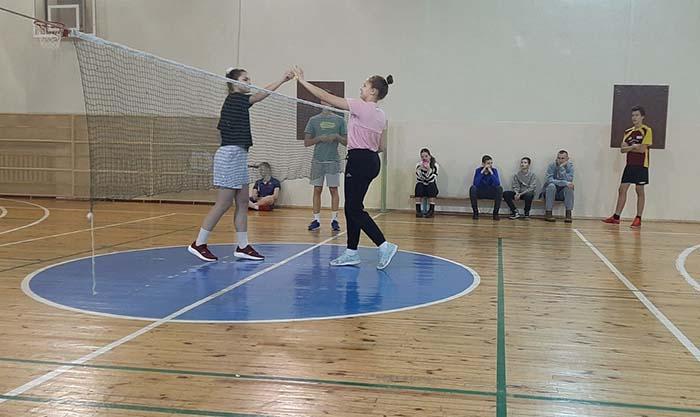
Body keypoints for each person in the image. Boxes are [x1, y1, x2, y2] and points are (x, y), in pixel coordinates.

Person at [294, 66, 398, 270]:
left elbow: (325, 96)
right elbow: (381, 146)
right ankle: (351, 252)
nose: (361, 88)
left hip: (358, 161)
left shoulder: (361, 106)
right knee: (353, 206)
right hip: (372, 161)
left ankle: (384, 245)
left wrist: (302, 81)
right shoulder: (381, 115)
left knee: (353, 208)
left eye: (365, 85)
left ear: (373, 91)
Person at [188, 67, 293, 262]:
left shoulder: (236, 103)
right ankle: (199, 243)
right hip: (230, 156)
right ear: (234, 83)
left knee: (243, 202)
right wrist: (282, 79)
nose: (249, 82)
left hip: (238, 155)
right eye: (245, 79)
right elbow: (260, 95)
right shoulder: (235, 99)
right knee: (224, 203)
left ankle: (243, 246)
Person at [603, 106, 652, 228]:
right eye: (633, 115)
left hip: (641, 165)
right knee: (622, 189)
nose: (634, 118)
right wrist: (633, 146)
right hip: (629, 165)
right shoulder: (628, 132)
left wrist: (631, 147)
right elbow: (622, 149)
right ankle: (616, 217)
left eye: (637, 115)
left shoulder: (647, 130)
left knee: (639, 190)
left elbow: (642, 149)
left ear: (642, 117)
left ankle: (638, 218)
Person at [304, 101, 347, 231]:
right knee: (317, 189)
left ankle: (334, 220)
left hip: (333, 161)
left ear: (332, 103)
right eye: (322, 102)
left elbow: (346, 142)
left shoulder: (340, 120)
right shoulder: (313, 120)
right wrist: (319, 139)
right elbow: (307, 142)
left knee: (333, 190)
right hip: (317, 161)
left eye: (327, 101)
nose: (325, 104)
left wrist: (337, 137)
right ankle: (316, 220)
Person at [542, 150, 574, 223]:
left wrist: (561, 168)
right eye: (559, 158)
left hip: (562, 193)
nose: (560, 160)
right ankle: (548, 213)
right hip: (551, 192)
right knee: (551, 186)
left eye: (563, 158)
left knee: (569, 187)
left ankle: (568, 214)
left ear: (567, 159)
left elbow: (569, 180)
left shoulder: (570, 166)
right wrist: (564, 183)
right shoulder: (551, 165)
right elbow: (549, 180)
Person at [469, 155, 503, 220]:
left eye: (491, 163)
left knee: (499, 188)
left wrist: (491, 173)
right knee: (472, 188)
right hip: (481, 192)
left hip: (490, 193)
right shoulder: (478, 170)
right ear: (483, 164)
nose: (490, 165)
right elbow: (475, 183)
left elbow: (497, 183)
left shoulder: (494, 171)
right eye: (488, 163)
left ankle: (495, 214)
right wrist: (482, 172)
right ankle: (475, 213)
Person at [414, 148, 439, 218]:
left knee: (431, 185)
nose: (424, 158)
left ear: (429, 156)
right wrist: (422, 170)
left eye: (426, 156)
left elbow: (432, 179)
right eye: (422, 157)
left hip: (431, 186)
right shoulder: (418, 165)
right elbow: (419, 178)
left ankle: (431, 211)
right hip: (422, 186)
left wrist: (428, 170)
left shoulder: (435, 165)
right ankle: (418, 211)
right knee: (419, 185)